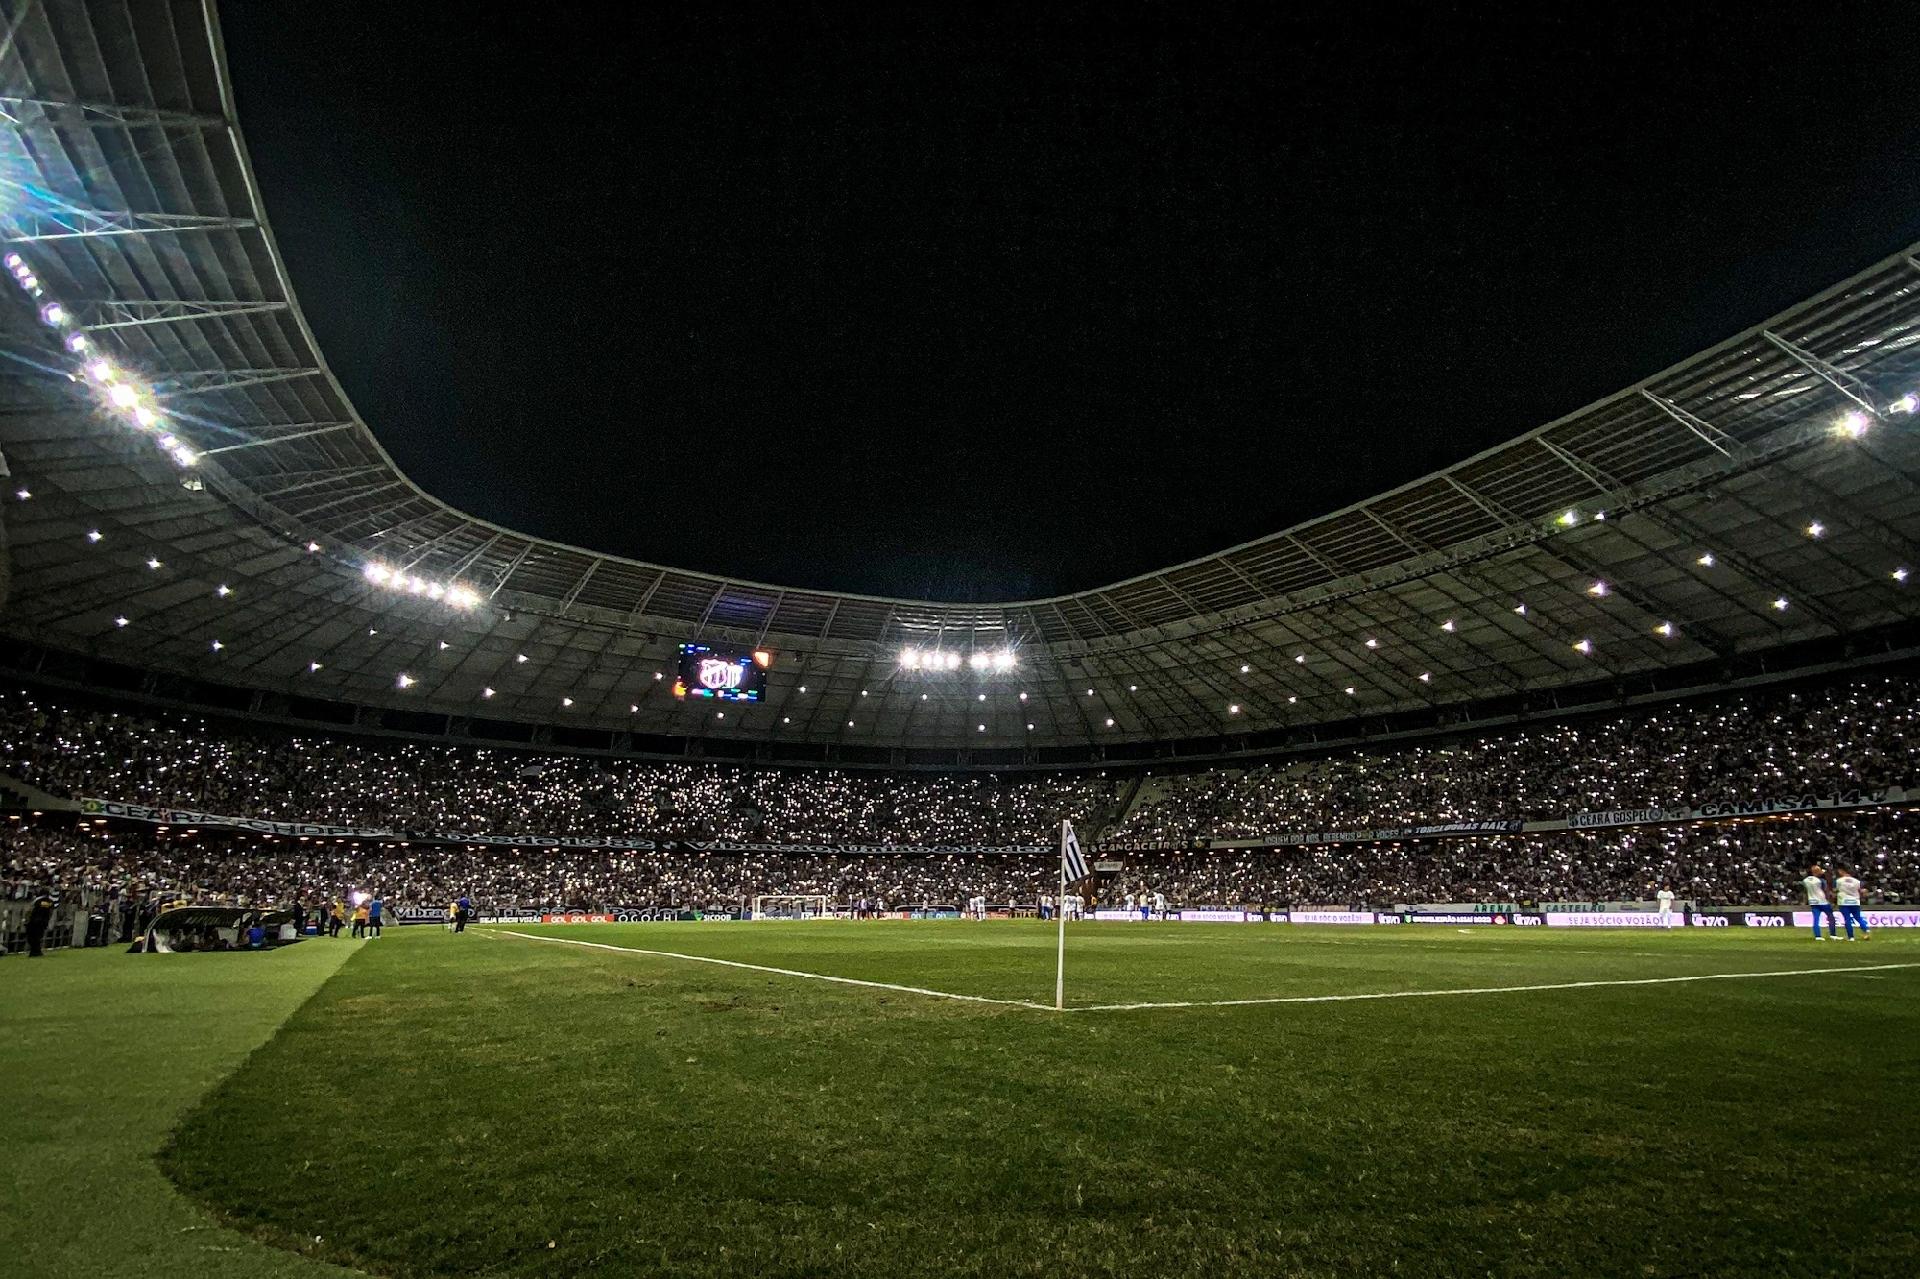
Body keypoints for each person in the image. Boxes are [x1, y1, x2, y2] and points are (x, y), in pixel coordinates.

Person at [1834, 868, 1870, 941]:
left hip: (1844, 902)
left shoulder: (1838, 881)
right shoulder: (1857, 881)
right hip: (1855, 902)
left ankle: (1851, 937)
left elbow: (1835, 890)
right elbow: (1861, 891)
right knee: (1858, 918)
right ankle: (1866, 931)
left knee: (1847, 919)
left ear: (1842, 871)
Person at [1803, 865, 1837, 940]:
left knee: (1816, 919)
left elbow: (1806, 891)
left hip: (1813, 901)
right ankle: (1833, 935)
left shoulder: (1806, 880)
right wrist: (1831, 900)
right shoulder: (1821, 881)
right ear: (1817, 872)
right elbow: (1826, 891)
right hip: (1822, 901)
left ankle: (1818, 936)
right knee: (1831, 917)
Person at [24, 889, 54, 958]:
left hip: (33, 921)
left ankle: (34, 951)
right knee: (38, 937)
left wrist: (26, 919)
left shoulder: (37, 900)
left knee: (31, 937)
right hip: (43, 922)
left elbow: (30, 910)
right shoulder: (50, 902)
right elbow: (51, 912)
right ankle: (37, 951)